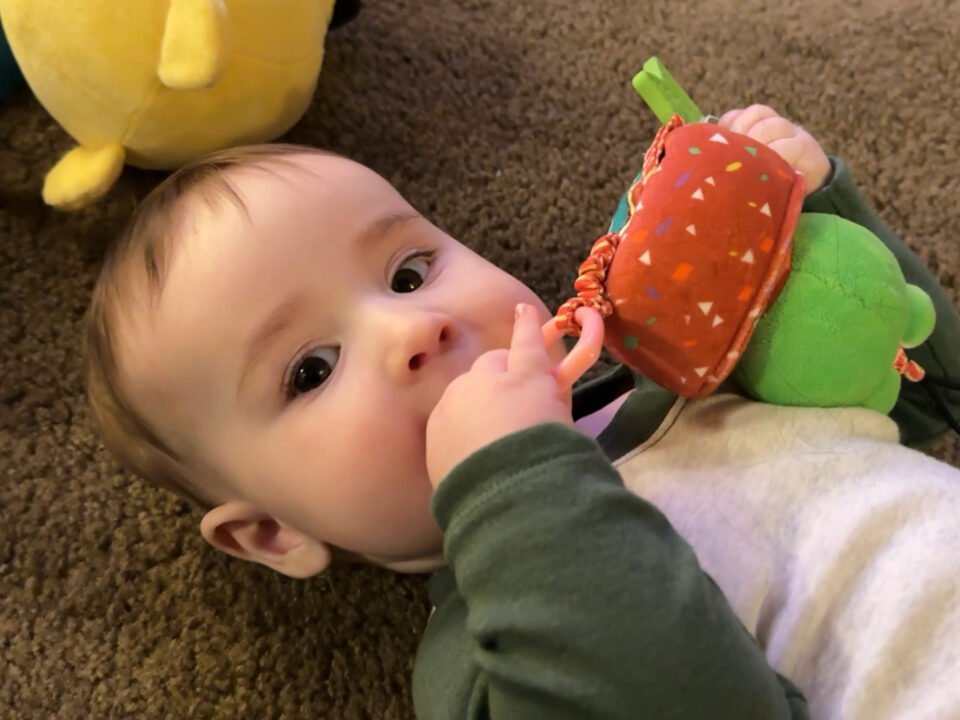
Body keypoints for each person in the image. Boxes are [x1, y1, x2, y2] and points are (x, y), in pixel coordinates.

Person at [83, 104, 960, 719]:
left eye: (409, 272)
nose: (411, 329)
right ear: (273, 534)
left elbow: (931, 395)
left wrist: (808, 231)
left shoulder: (679, 375)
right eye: (310, 370)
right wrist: (515, 483)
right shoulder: (485, 658)